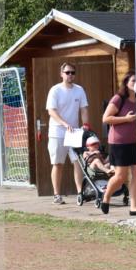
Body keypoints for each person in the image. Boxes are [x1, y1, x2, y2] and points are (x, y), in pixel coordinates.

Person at [46, 61, 89, 204]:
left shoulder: (79, 90)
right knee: (58, 164)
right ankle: (57, 195)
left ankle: (80, 193)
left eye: (72, 73)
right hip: (57, 132)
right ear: (61, 74)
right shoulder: (55, 90)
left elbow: (84, 109)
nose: (70, 75)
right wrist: (64, 124)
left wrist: (86, 125)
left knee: (78, 162)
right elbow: (51, 111)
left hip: (74, 133)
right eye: (67, 72)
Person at [100, 72, 136, 215]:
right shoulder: (118, 99)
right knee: (120, 177)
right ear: (126, 83)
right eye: (133, 80)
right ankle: (106, 196)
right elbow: (106, 118)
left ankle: (134, 207)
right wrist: (126, 119)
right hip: (119, 143)